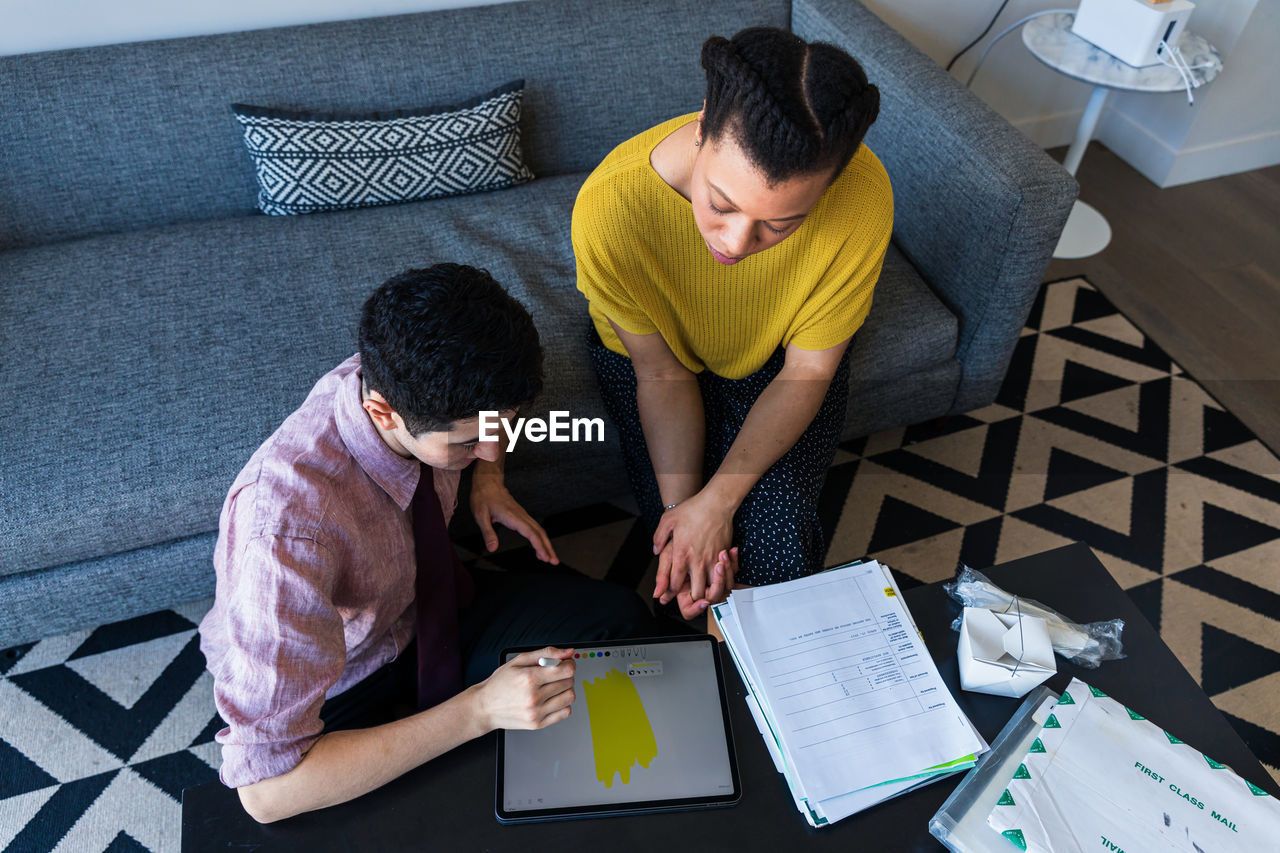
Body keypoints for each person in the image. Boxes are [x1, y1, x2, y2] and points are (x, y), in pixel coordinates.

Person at [198, 264, 654, 823]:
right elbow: (266, 795)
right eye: (467, 444)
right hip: (341, 675)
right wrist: (479, 710)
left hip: (426, 608)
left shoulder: (416, 381)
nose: (492, 447)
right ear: (383, 411)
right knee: (438, 816)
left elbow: (490, 425)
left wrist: (488, 479)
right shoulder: (286, 533)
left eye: (503, 427)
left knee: (619, 620)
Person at [572, 27, 890, 620]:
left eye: (781, 224)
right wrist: (685, 518)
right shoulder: (610, 211)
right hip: (655, 363)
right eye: (720, 204)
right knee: (685, 567)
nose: (737, 243)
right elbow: (662, 376)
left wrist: (719, 502)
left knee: (780, 551)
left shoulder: (863, 199)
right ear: (701, 129)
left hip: (781, 362)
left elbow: (809, 370)